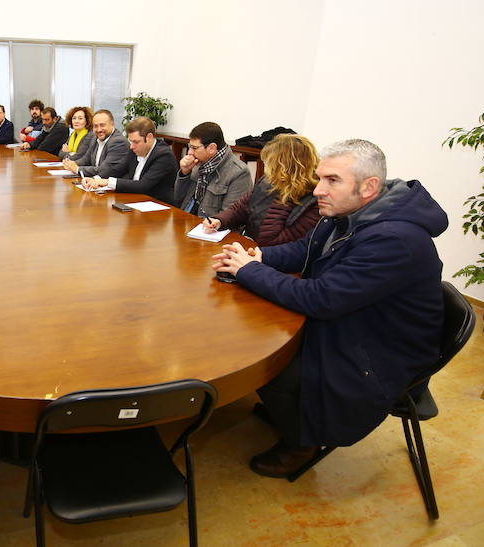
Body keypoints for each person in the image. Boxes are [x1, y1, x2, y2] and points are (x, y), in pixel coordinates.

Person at [211, 139, 448, 478]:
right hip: (359, 323)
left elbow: (321, 299)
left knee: (269, 362)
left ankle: (301, 443)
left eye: (332, 180)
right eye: (320, 177)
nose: (318, 189)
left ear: (369, 187)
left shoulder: (394, 239)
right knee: (258, 333)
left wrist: (249, 271)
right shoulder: (349, 212)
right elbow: (303, 250)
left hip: (378, 352)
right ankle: (290, 414)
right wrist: (258, 257)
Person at [202, 134, 321, 246]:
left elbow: (273, 242)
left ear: (286, 168)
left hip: (271, 260)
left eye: (270, 164)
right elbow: (241, 208)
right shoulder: (269, 181)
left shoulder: (313, 202)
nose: (266, 170)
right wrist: (219, 220)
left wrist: (283, 198)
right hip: (250, 249)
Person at [80, 117, 178, 204]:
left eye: (135, 142)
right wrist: (96, 179)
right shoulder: (134, 150)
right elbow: (118, 169)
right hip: (135, 201)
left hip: (158, 207)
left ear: (149, 138)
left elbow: (143, 185)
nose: (131, 146)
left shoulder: (164, 155)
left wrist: (107, 182)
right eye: (130, 141)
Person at [175, 122, 251, 216]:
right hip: (184, 219)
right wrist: (184, 173)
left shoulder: (239, 173)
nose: (190, 152)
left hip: (208, 228)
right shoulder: (198, 162)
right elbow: (178, 200)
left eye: (194, 148)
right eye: (190, 147)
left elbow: (231, 217)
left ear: (211, 148)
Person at [62, 109, 129, 179]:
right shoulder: (95, 138)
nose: (99, 129)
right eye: (95, 126)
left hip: (112, 187)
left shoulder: (118, 142)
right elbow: (86, 159)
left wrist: (77, 169)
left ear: (112, 124)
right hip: (96, 183)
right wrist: (72, 164)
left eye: (102, 125)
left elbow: (104, 170)